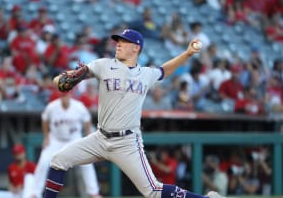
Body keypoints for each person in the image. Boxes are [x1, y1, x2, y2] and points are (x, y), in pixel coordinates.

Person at [46, 29, 225, 198]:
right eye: (118, 41)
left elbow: (164, 71)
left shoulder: (145, 74)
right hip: (100, 139)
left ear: (136, 47)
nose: (118, 44)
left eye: (124, 42)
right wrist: (62, 79)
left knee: (153, 191)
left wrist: (187, 54)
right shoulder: (103, 65)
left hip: (127, 143)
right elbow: (62, 80)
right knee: (58, 160)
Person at [30, 92, 101, 198]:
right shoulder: (52, 107)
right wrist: (46, 137)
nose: (65, 97)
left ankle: (93, 193)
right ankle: (35, 193)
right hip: (56, 140)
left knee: (87, 164)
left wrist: (88, 136)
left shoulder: (78, 106)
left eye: (67, 95)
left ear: (70, 95)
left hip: (74, 139)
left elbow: (87, 120)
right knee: (44, 162)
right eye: (63, 95)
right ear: (60, 96)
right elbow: (44, 119)